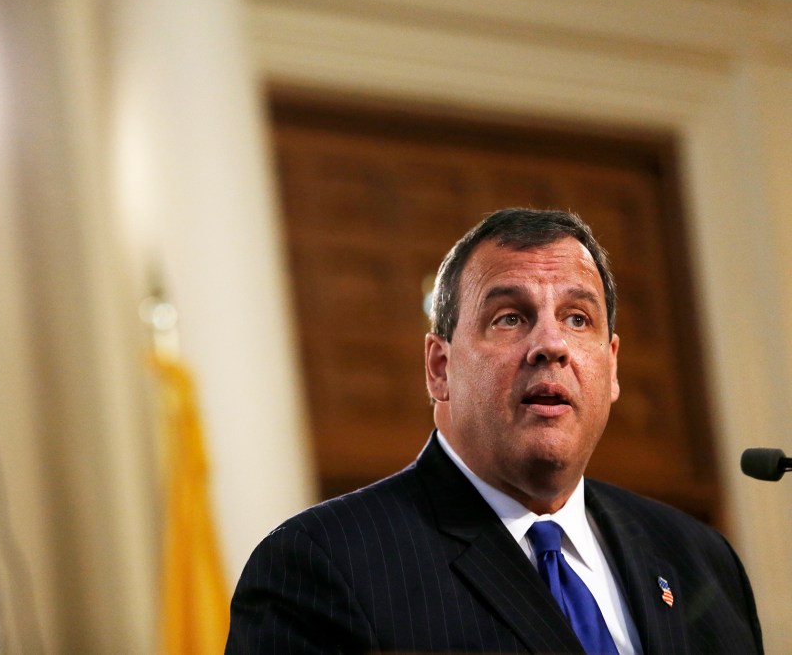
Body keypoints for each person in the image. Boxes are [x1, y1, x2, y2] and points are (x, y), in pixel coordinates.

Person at [225, 208, 763, 654]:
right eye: (510, 317)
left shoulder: (699, 560)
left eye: (578, 318)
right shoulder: (324, 564)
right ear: (440, 368)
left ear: (612, 365)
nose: (551, 345)